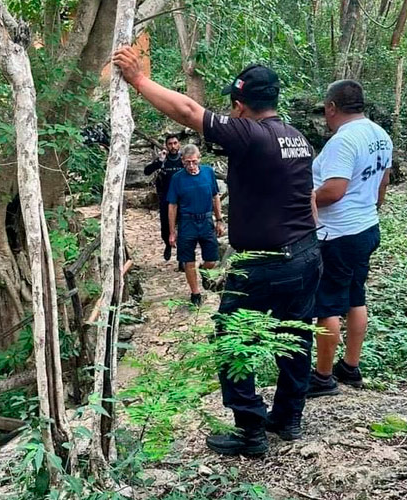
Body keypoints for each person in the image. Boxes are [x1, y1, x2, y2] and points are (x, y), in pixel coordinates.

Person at [113, 48, 321, 457]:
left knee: (231, 339)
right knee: (295, 336)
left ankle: (250, 432)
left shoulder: (251, 133)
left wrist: (139, 81)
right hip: (305, 253)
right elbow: (308, 199)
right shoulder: (297, 139)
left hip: (263, 263)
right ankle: (288, 418)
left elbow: (190, 112)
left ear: (240, 106)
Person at [307, 80, 392, 398]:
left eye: (325, 110)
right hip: (366, 227)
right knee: (355, 297)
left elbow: (334, 190)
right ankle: (350, 367)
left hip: (338, 234)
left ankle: (323, 376)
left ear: (332, 107)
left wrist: (303, 200)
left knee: (327, 304)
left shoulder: (343, 141)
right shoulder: (380, 135)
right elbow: (382, 183)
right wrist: (369, 211)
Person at [166, 143, 223, 306]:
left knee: (212, 258)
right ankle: (195, 293)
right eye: (187, 162)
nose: (191, 165)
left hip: (206, 220)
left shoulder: (208, 173)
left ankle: (204, 270)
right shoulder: (177, 178)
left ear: (199, 159)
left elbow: (215, 196)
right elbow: (172, 205)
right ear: (182, 161)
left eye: (194, 161)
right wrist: (172, 231)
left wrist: (219, 220)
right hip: (187, 222)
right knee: (188, 261)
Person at [144, 134, 184, 262]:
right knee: (165, 228)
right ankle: (167, 244)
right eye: (170, 144)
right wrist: (159, 162)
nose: (173, 146)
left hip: (182, 199)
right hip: (166, 199)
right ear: (166, 146)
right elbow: (147, 171)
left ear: (179, 144)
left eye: (175, 143)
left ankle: (182, 258)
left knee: (183, 228)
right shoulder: (163, 160)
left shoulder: (183, 159)